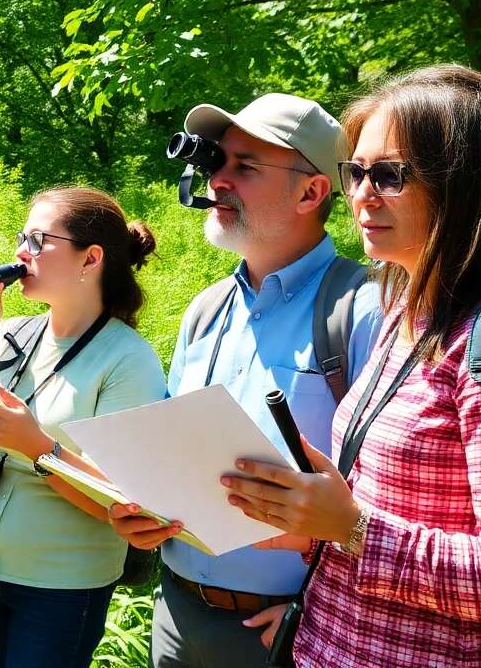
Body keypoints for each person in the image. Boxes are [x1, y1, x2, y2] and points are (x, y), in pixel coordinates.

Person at [228, 65, 481, 668]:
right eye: (357, 172)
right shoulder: (406, 313)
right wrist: (311, 515)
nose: (362, 194)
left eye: (390, 175)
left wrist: (352, 527)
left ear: (468, 184)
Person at [107, 93, 382, 668]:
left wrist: (318, 609)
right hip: (177, 612)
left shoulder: (366, 309)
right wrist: (141, 508)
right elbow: (173, 448)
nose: (218, 180)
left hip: (287, 628)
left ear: (312, 193)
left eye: (245, 167)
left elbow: (390, 501)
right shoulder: (205, 309)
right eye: (217, 163)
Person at [0, 187, 168, 668]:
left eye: (37, 240)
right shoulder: (9, 335)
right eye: (20, 237)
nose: (19, 252)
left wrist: (35, 447)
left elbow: (121, 504)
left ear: (89, 258)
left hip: (60, 585)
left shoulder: (128, 360)